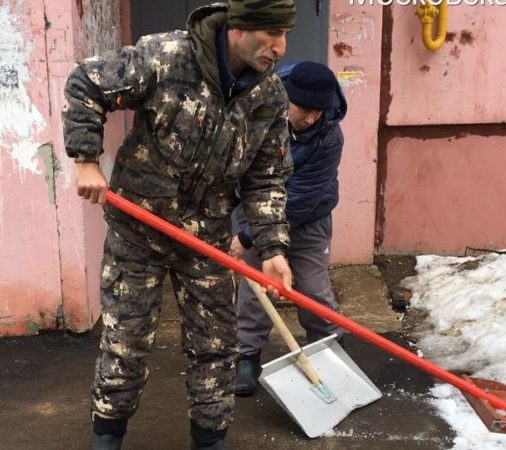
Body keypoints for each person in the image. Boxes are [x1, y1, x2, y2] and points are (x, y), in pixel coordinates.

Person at [61, 1, 297, 449]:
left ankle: (210, 441)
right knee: (125, 345)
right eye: (271, 34)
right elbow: (86, 81)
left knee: (216, 347)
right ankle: (106, 439)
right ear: (239, 28)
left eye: (285, 34)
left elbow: (266, 179)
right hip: (139, 231)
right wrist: (86, 158)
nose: (280, 48)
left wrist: (273, 251)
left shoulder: (269, 96)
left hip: (204, 238)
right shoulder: (166, 58)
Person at [231, 61, 347, 396]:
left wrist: (247, 236)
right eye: (305, 110)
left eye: (319, 111)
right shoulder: (258, 109)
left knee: (312, 290)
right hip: (255, 207)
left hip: (308, 218)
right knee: (256, 289)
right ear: (286, 98)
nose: (312, 118)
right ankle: (247, 356)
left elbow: (300, 199)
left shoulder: (329, 136)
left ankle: (329, 350)